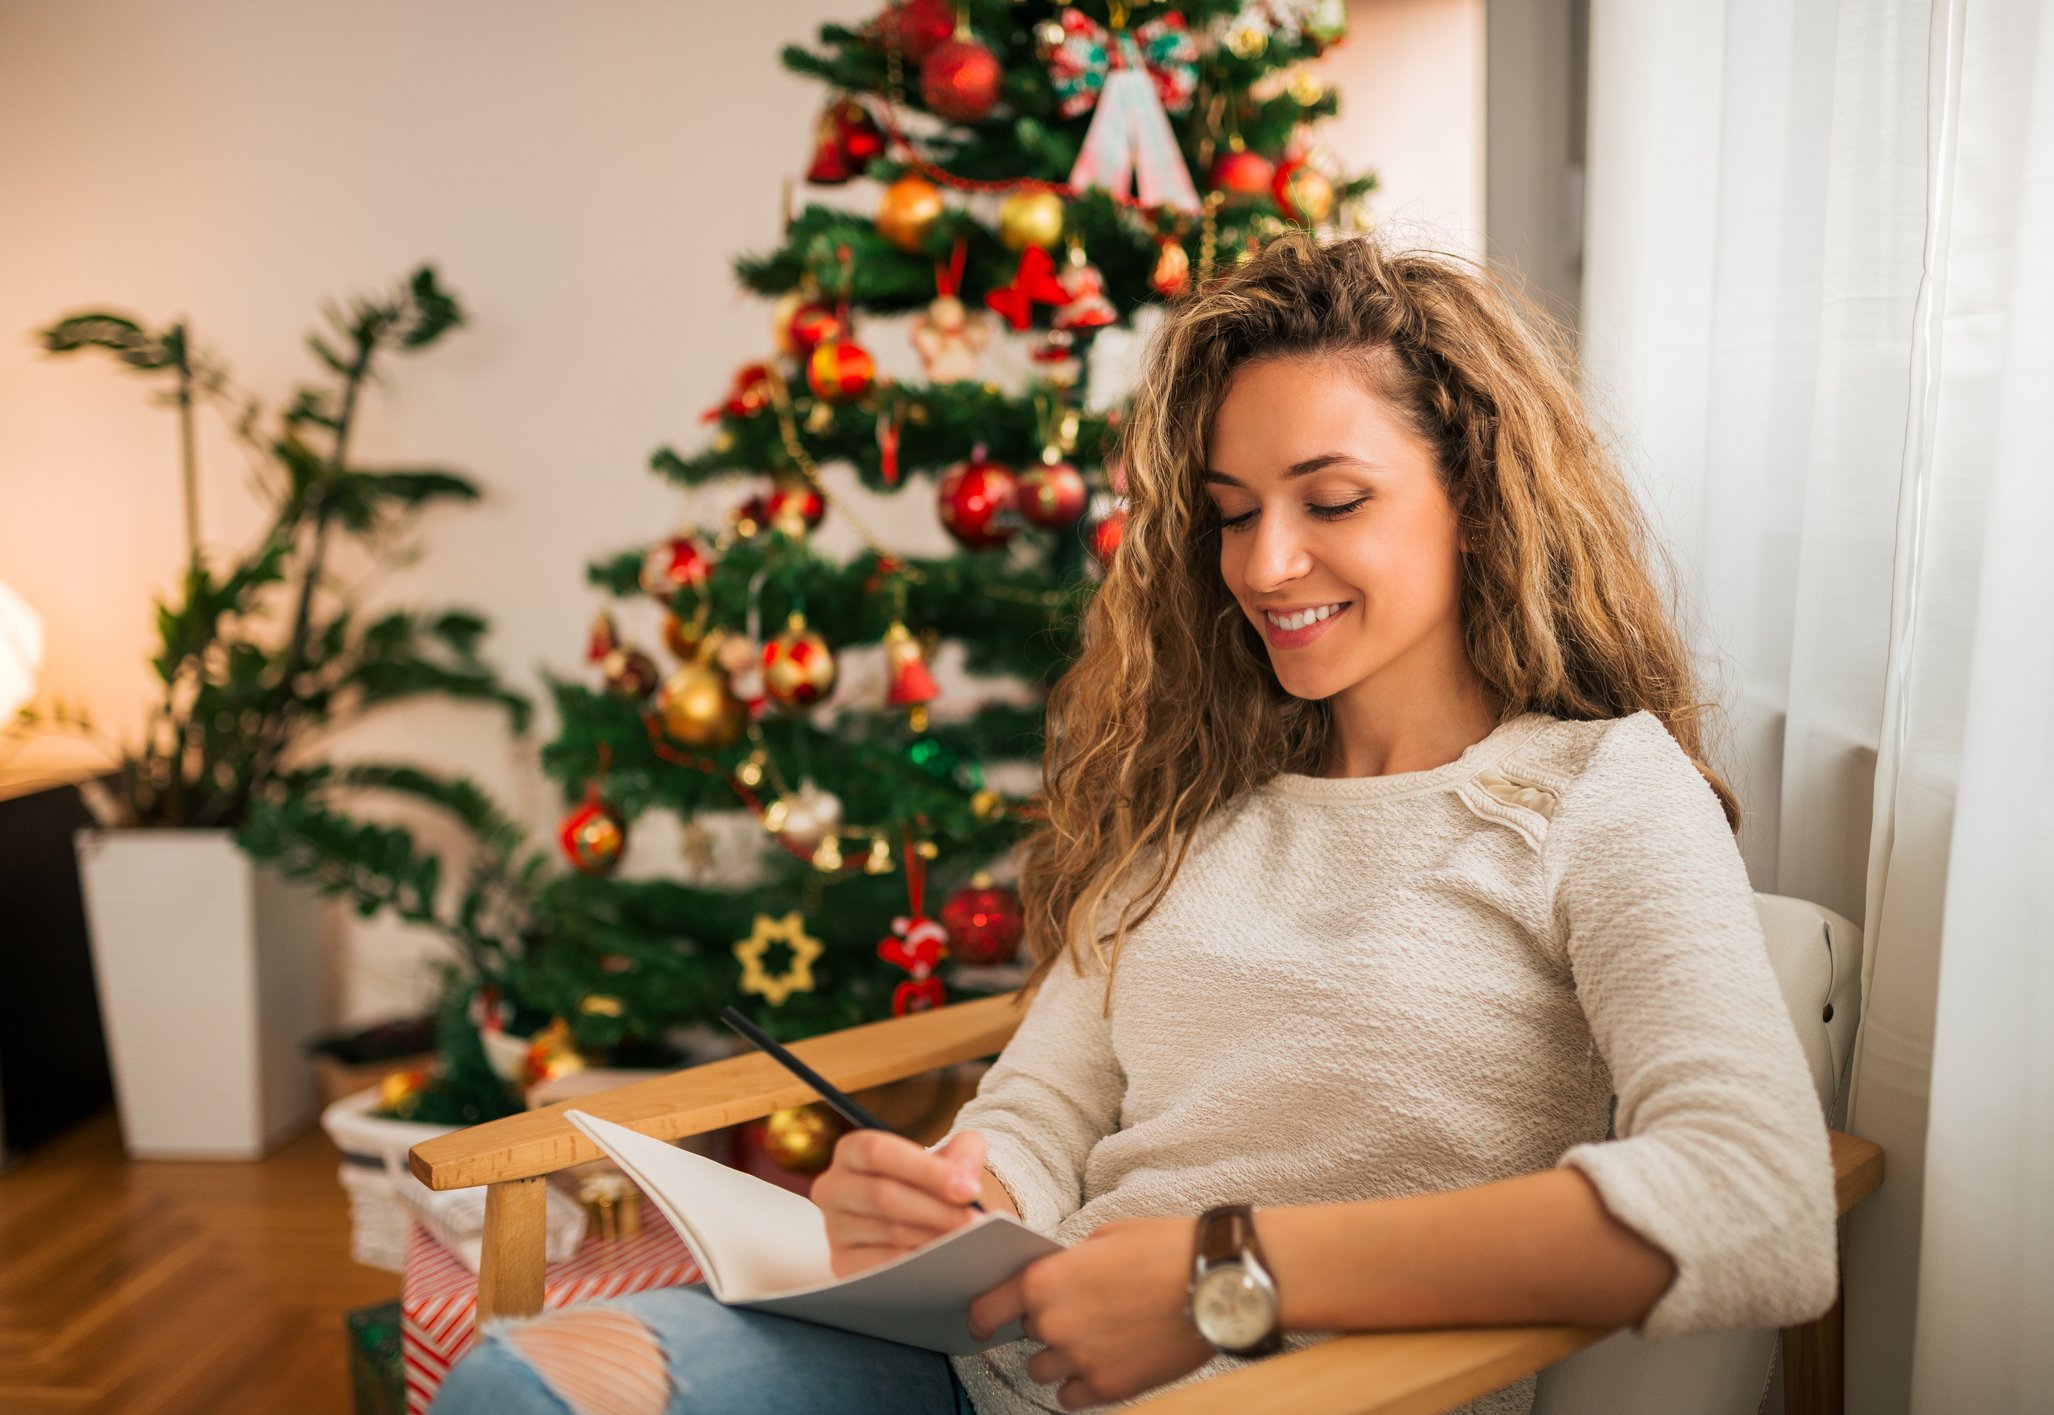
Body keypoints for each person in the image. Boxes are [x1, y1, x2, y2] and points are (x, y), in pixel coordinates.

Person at [431, 232, 1838, 1415]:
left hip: (1299, 1391)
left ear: (1475, 500)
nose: (1264, 565)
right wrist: (939, 1202)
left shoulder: (1602, 792)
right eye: (1230, 514)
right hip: (991, 1370)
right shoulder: (1198, 803)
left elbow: (1757, 1203)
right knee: (518, 1386)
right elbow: (1041, 1121)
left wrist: (1221, 1282)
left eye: (1331, 501)